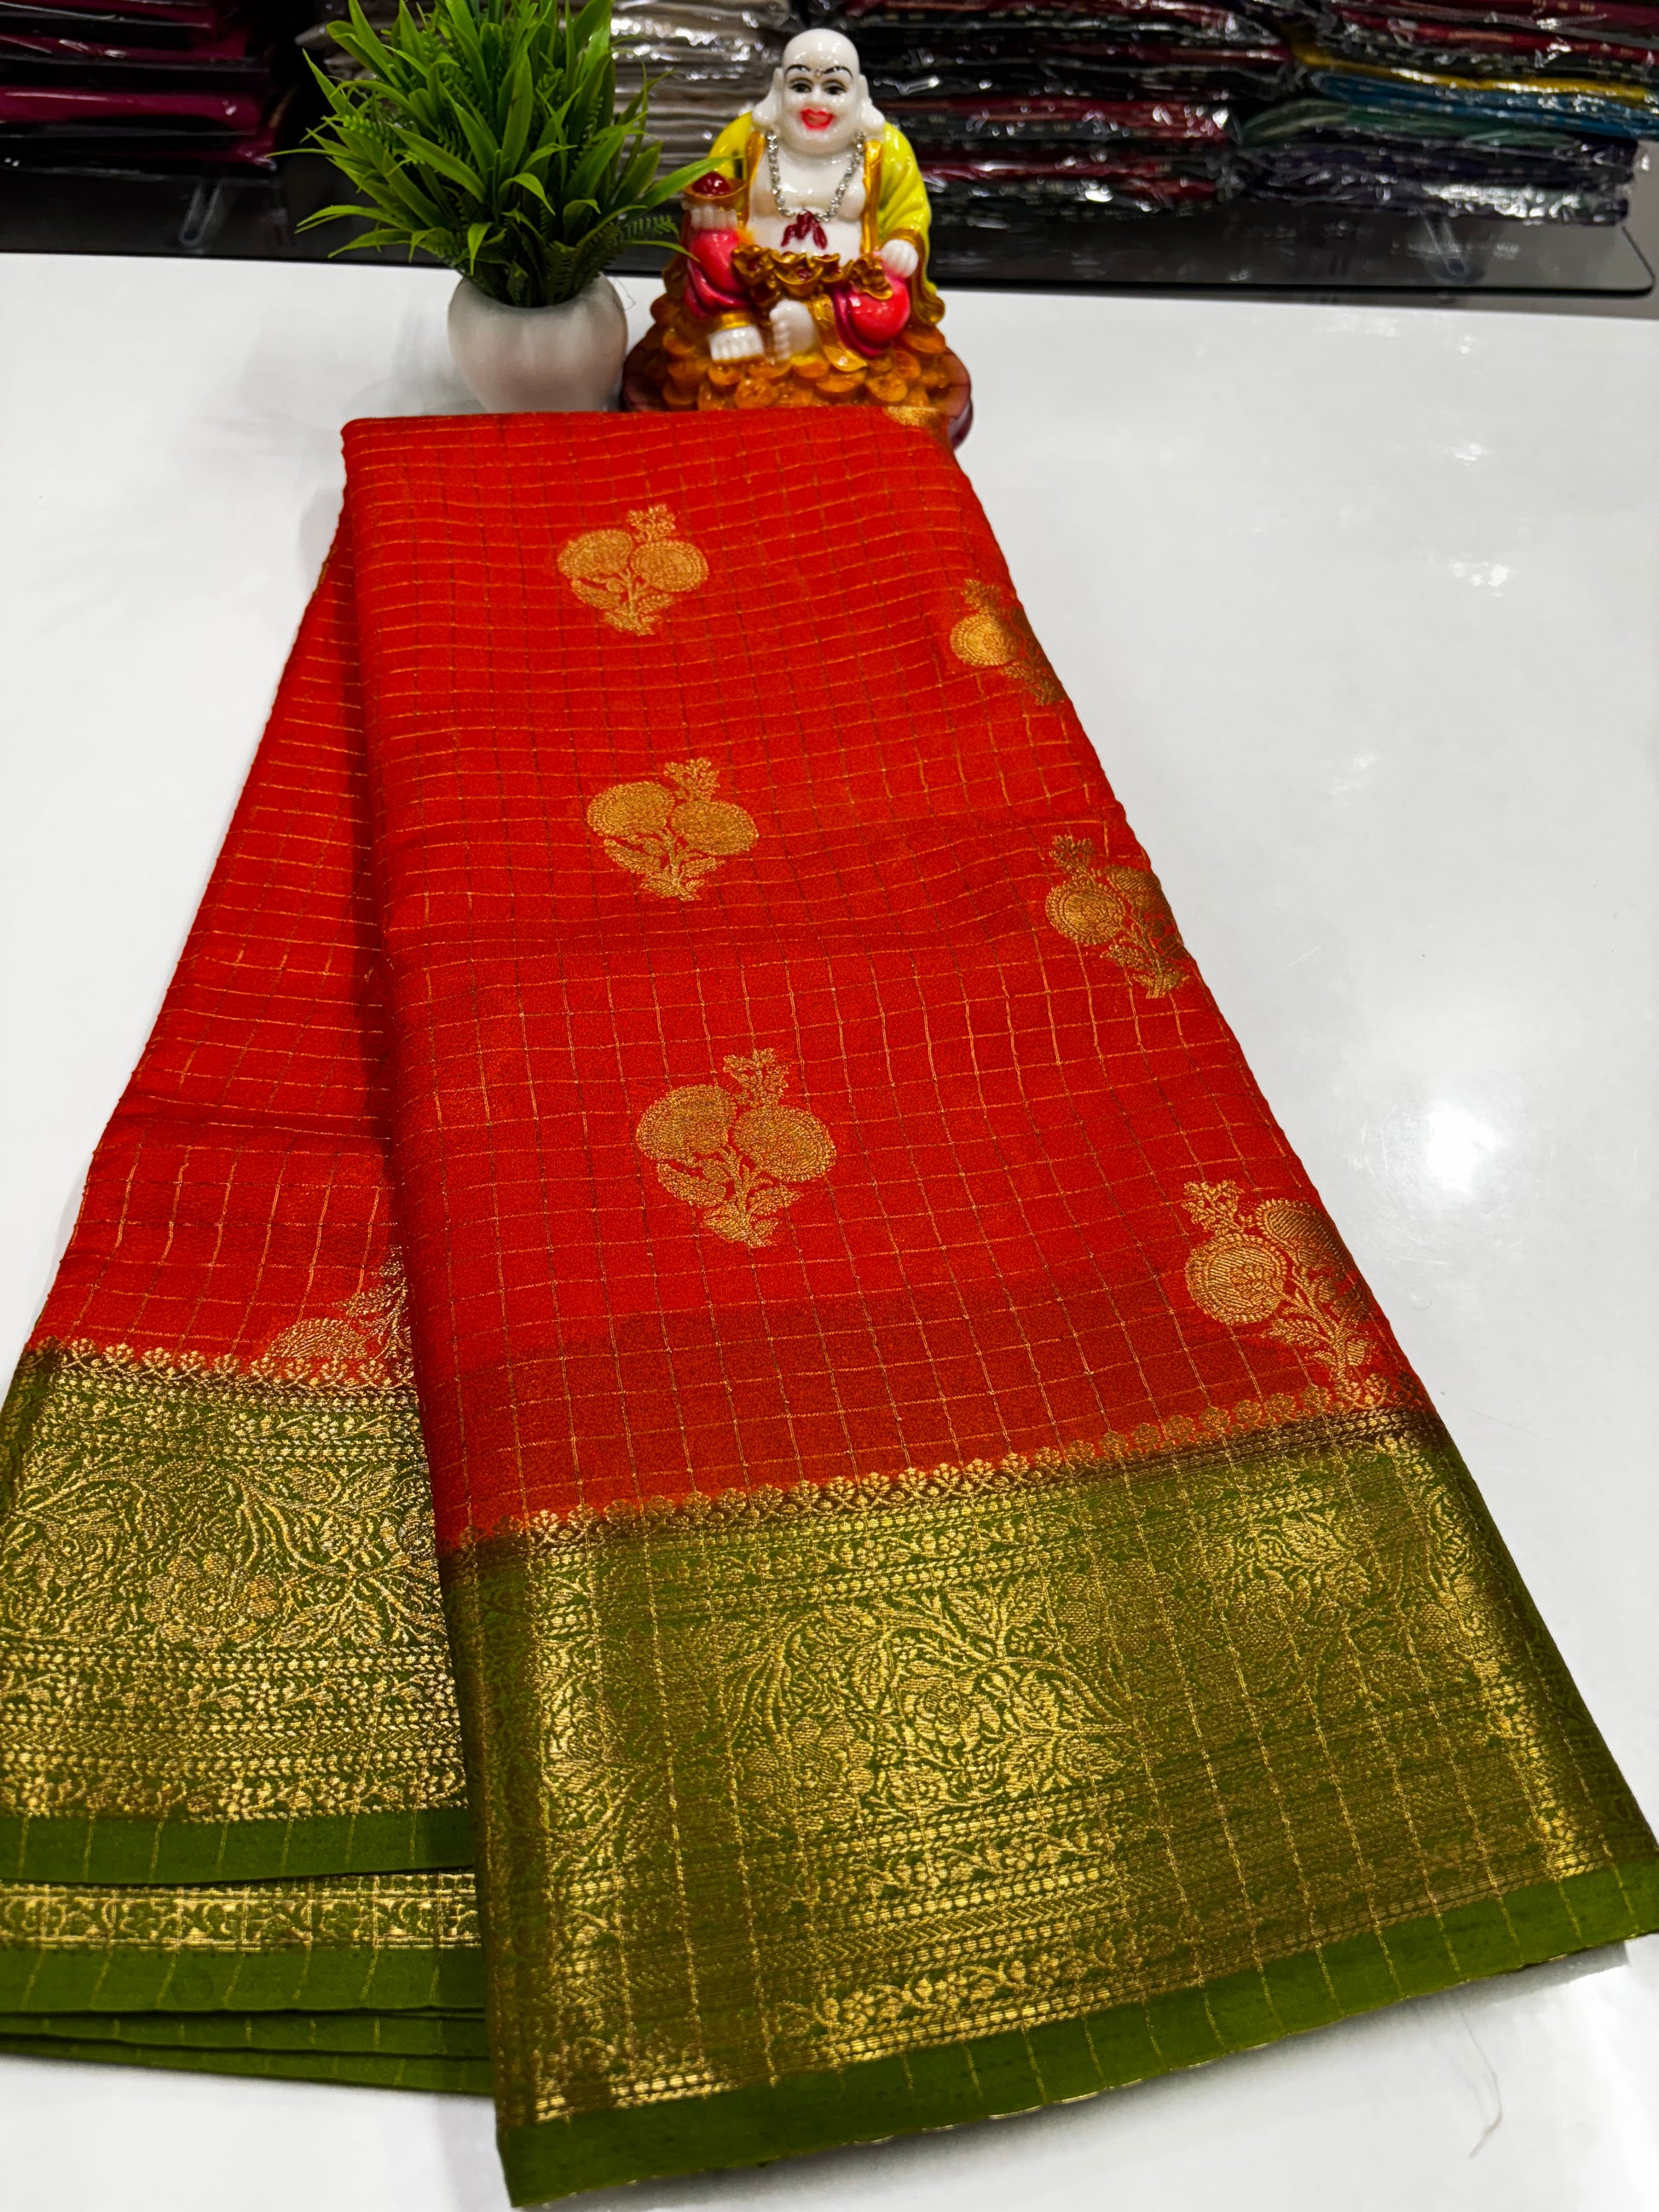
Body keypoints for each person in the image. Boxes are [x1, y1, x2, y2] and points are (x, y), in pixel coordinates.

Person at [621, 29, 972, 442]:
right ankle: (734, 323)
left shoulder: (886, 148)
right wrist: (709, 208)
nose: (816, 103)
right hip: (751, 277)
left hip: (846, 281)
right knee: (708, 244)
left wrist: (904, 241)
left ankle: (812, 326)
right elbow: (710, 183)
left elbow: (909, 208)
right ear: (778, 86)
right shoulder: (747, 137)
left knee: (889, 303)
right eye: (801, 86)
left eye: (834, 88)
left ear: (859, 92)